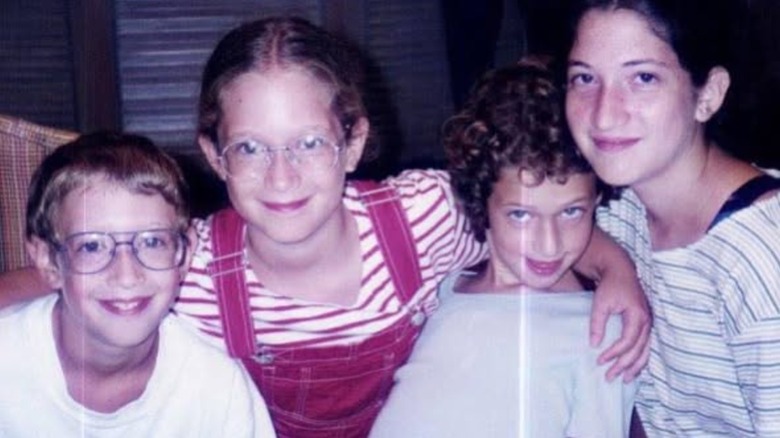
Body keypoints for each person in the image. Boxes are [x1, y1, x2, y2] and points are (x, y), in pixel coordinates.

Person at [0, 17, 649, 437]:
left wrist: (614, 269)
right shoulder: (187, 265)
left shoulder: (422, 216)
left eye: (309, 143)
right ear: (214, 154)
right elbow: (48, 283)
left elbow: (534, 227)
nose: (282, 178)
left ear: (353, 141)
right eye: (252, 149)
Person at [371, 59, 636, 438]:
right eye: (521, 216)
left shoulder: (603, 328)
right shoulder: (446, 283)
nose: (549, 245)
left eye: (572, 212)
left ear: (596, 202)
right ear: (481, 203)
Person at [563, 0, 780, 435]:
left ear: (709, 95)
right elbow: (549, 229)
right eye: (585, 78)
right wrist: (616, 266)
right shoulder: (621, 201)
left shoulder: (759, 266)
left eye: (643, 78)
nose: (604, 113)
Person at [0, 132, 275, 436]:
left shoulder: (219, 389)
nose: (127, 275)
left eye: (152, 241)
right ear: (49, 260)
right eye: (92, 246)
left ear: (184, 254)